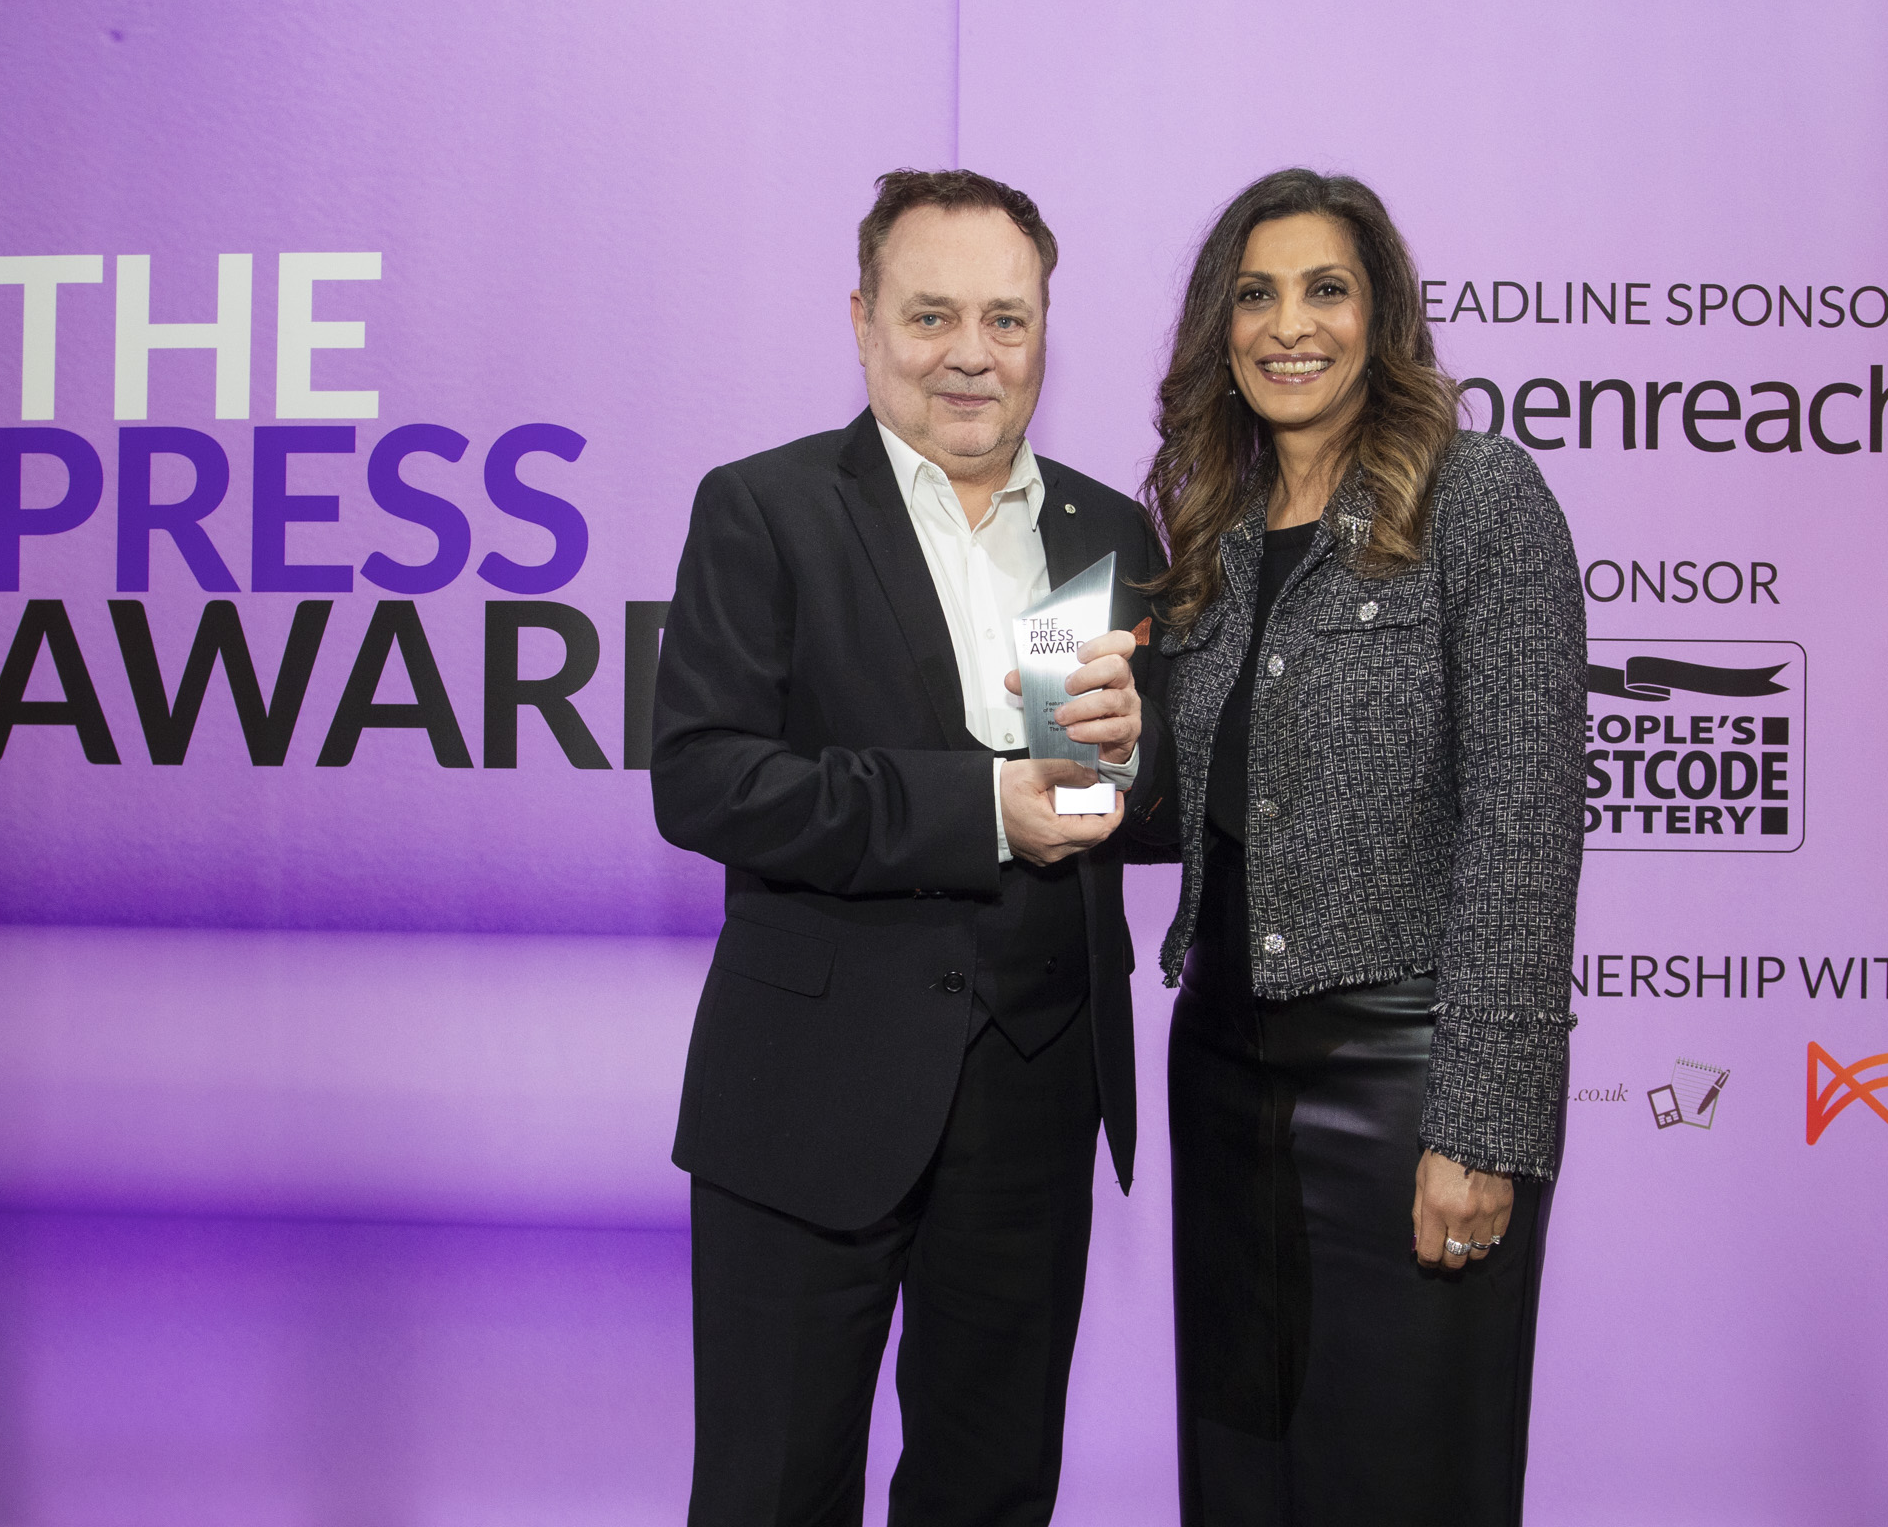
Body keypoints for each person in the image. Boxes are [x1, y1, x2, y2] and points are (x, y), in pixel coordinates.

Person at [651, 168, 1170, 1527]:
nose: (970, 353)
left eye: (1007, 318)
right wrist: (978, 809)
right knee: (772, 1495)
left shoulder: (1108, 529)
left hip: (1035, 1099)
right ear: (863, 321)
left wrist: (1130, 762)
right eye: (931, 314)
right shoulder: (764, 509)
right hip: (809, 1099)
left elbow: (1136, 801)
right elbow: (706, 782)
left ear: (1045, 330)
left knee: (992, 1493)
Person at [1140, 168, 1586, 1524]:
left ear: (1380, 315)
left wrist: (1482, 1126)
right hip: (1222, 1076)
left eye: (1325, 290)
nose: (1290, 326)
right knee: (1241, 1476)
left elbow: (1524, 829)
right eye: (1256, 295)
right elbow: (1203, 801)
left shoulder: (1479, 498)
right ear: (1220, 327)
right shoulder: (1209, 531)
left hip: (1405, 1085)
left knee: (1407, 1484)